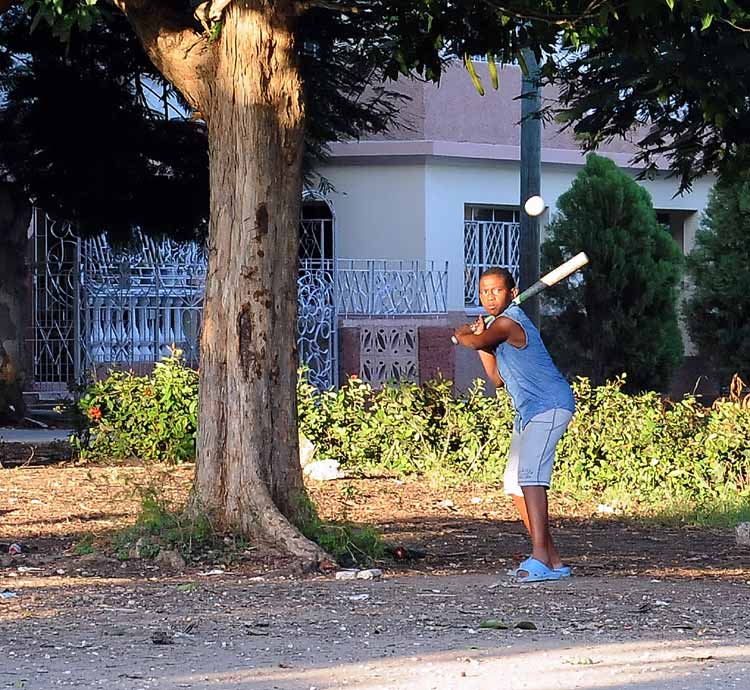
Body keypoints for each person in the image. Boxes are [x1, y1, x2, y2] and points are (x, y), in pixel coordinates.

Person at [453, 267, 576, 583]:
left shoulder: (509, 323)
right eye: (484, 291)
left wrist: (466, 334)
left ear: (512, 292)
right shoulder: (496, 328)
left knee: (531, 477)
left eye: (496, 290)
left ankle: (538, 558)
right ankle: (552, 560)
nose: (489, 297)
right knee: (514, 482)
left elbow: (470, 341)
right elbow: (496, 378)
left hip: (550, 405)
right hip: (528, 411)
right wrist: (480, 340)